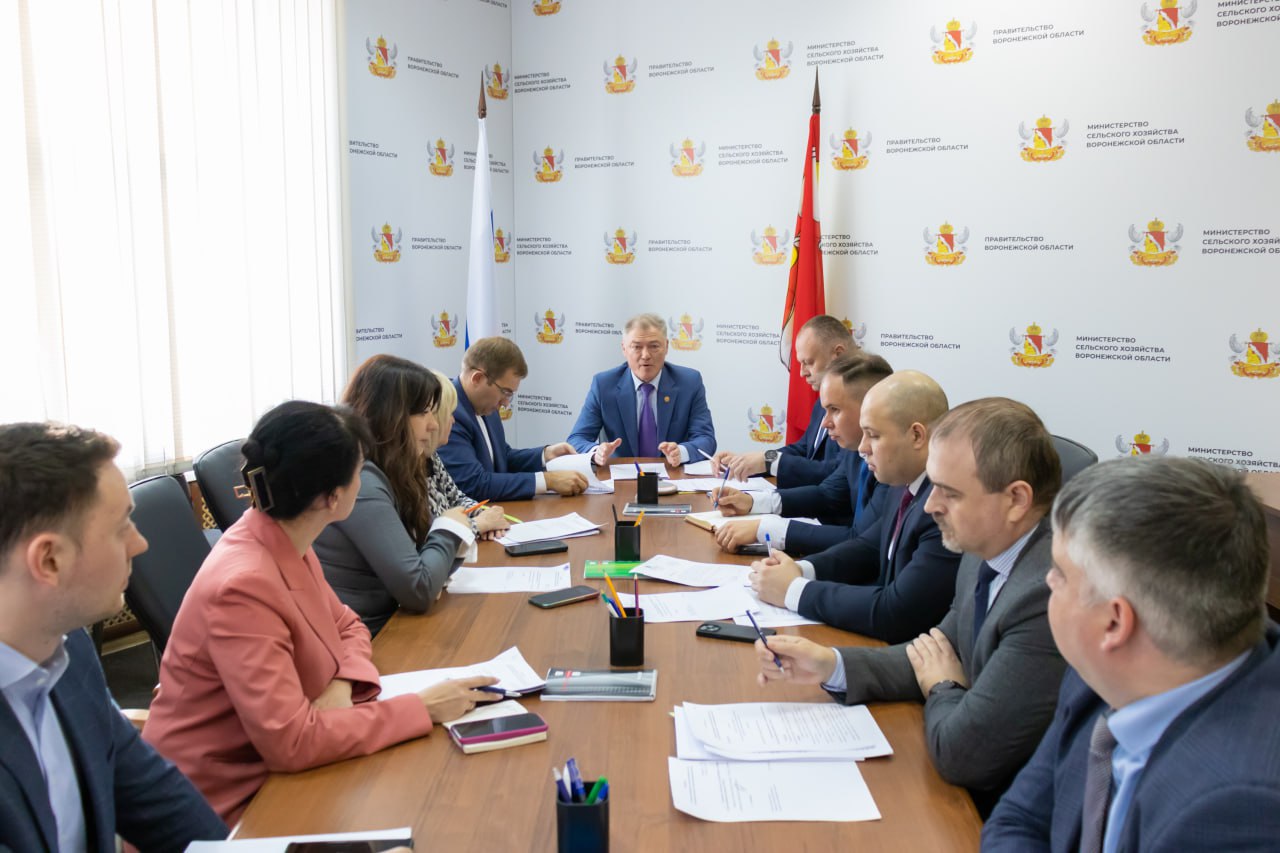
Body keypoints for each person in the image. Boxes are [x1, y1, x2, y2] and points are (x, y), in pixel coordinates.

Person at [143, 401, 500, 824]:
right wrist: (422, 708)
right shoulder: (243, 585)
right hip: (221, 807)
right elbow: (292, 743)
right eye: (361, 470)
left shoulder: (282, 534)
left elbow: (348, 625)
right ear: (333, 497)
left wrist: (341, 684)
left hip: (286, 770)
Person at [756, 399, 1067, 815]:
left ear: (1016, 499)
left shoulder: (1046, 598)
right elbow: (933, 650)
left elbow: (963, 753)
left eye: (950, 492)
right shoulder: (986, 548)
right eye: (933, 486)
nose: (931, 504)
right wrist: (831, 664)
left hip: (999, 813)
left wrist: (942, 685)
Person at [983, 457, 1280, 851]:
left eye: (1061, 574)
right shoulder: (1100, 675)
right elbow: (1017, 819)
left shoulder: (1240, 810)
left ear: (1114, 623)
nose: (1047, 581)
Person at [0, 422, 227, 851]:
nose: (140, 543)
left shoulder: (67, 648)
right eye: (122, 525)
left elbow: (156, 799)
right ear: (49, 560)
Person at [749, 371, 959, 643]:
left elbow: (897, 613)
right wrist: (801, 570)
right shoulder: (904, 481)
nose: (862, 448)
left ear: (917, 435)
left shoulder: (945, 506)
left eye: (873, 435)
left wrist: (793, 591)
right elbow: (869, 547)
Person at [315, 357, 511, 635]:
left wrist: (449, 534)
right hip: (369, 638)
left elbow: (427, 567)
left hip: (390, 624)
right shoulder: (364, 482)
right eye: (424, 413)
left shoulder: (397, 468)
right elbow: (419, 589)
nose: (433, 425)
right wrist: (451, 527)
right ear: (391, 417)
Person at [713, 352, 893, 555]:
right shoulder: (854, 450)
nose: (825, 423)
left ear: (869, 408)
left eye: (835, 409)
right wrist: (751, 502)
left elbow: (861, 542)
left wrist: (766, 529)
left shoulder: (894, 466)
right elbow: (827, 495)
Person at [437, 336, 587, 501]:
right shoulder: (448, 413)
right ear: (477, 378)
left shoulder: (487, 404)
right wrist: (547, 481)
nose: (506, 403)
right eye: (505, 392)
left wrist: (545, 455)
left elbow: (501, 458)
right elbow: (473, 484)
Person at [712, 314, 852, 487]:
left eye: (808, 362)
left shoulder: (863, 402)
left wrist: (769, 461)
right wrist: (747, 462)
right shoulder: (825, 396)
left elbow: (838, 472)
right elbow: (803, 449)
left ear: (838, 354)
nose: (802, 372)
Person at [567, 312, 716, 467]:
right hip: (620, 475)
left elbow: (706, 439)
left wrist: (681, 452)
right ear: (624, 349)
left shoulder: (689, 382)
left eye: (654, 346)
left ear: (666, 347)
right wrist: (596, 452)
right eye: (637, 347)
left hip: (672, 474)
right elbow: (576, 439)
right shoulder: (604, 384)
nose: (645, 355)